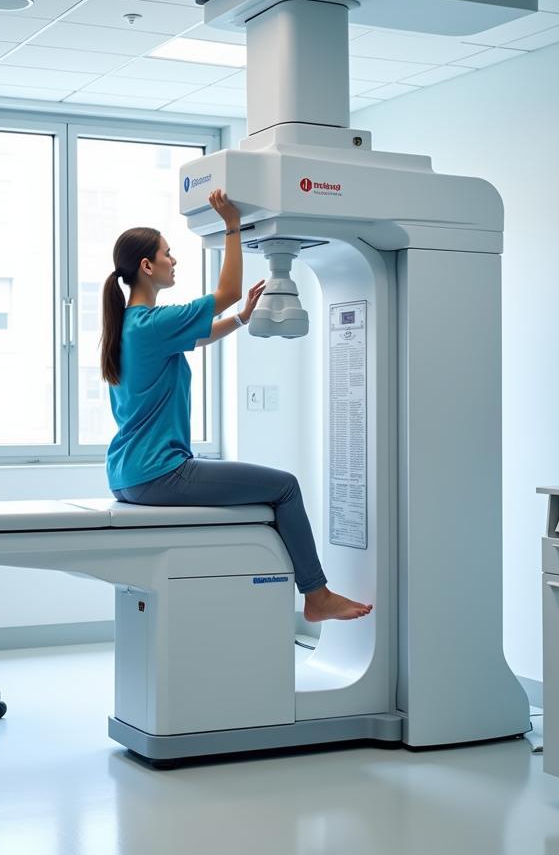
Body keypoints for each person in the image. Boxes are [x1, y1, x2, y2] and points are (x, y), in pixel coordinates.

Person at [100, 189, 372, 623]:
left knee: (252, 481)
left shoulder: (132, 328)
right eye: (168, 255)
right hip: (160, 473)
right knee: (285, 487)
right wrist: (232, 225)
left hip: (126, 476)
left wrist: (243, 318)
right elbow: (226, 291)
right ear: (147, 267)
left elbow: (203, 333)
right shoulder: (152, 323)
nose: (175, 261)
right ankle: (316, 594)